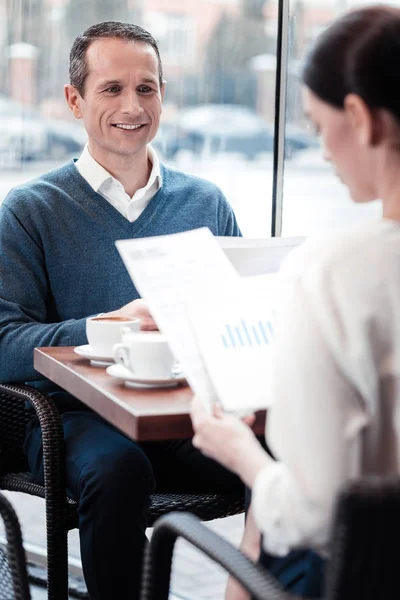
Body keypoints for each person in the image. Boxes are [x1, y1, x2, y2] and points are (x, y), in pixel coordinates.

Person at [0, 22, 242, 599]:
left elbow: (236, 325)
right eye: (111, 89)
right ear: (75, 100)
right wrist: (107, 328)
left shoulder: (206, 203)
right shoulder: (30, 210)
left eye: (147, 88)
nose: (133, 106)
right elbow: (4, 344)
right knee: (118, 469)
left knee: (301, 448)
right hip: (71, 421)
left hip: (183, 417)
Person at [191, 5, 400, 599]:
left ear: (358, 117)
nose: (323, 149)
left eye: (316, 124)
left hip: (361, 579)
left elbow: (312, 516)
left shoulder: (336, 272)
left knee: (265, 521)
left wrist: (238, 452)